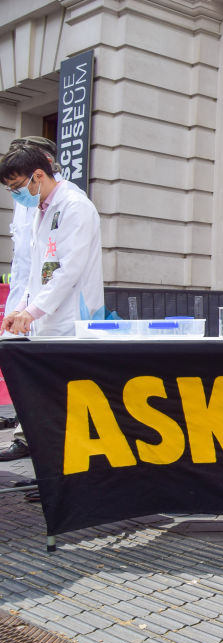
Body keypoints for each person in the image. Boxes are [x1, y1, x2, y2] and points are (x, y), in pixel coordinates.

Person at [0, 145, 104, 468]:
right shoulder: (43, 211)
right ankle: (52, 479)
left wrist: (31, 312)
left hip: (74, 319)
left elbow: (68, 271)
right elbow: (36, 272)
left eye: (19, 188)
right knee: (49, 401)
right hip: (49, 319)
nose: (17, 196)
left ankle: (70, 478)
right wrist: (21, 311)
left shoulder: (75, 207)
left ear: (39, 175)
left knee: (68, 402)